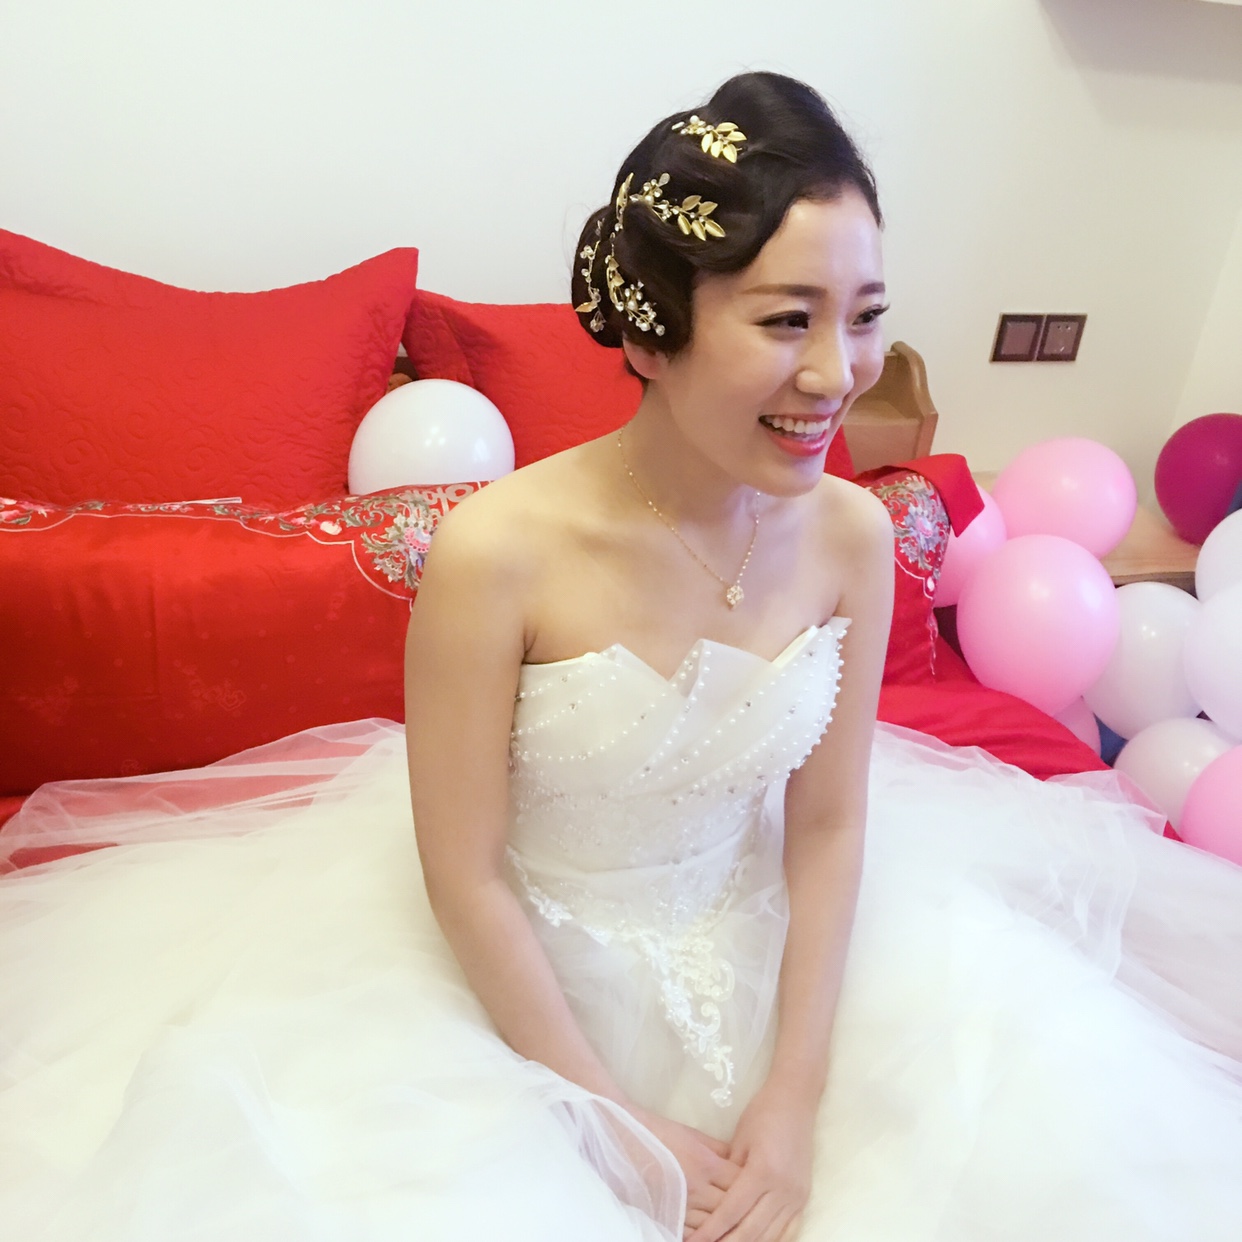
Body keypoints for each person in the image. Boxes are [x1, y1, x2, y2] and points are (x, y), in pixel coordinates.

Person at [0, 71, 1240, 1242]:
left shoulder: (854, 537)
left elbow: (826, 824)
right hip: (521, 963)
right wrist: (600, 1119)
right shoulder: (498, 552)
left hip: (773, 938)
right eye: (786, 320)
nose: (836, 374)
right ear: (652, 335)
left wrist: (797, 1094)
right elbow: (465, 871)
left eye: (865, 317)